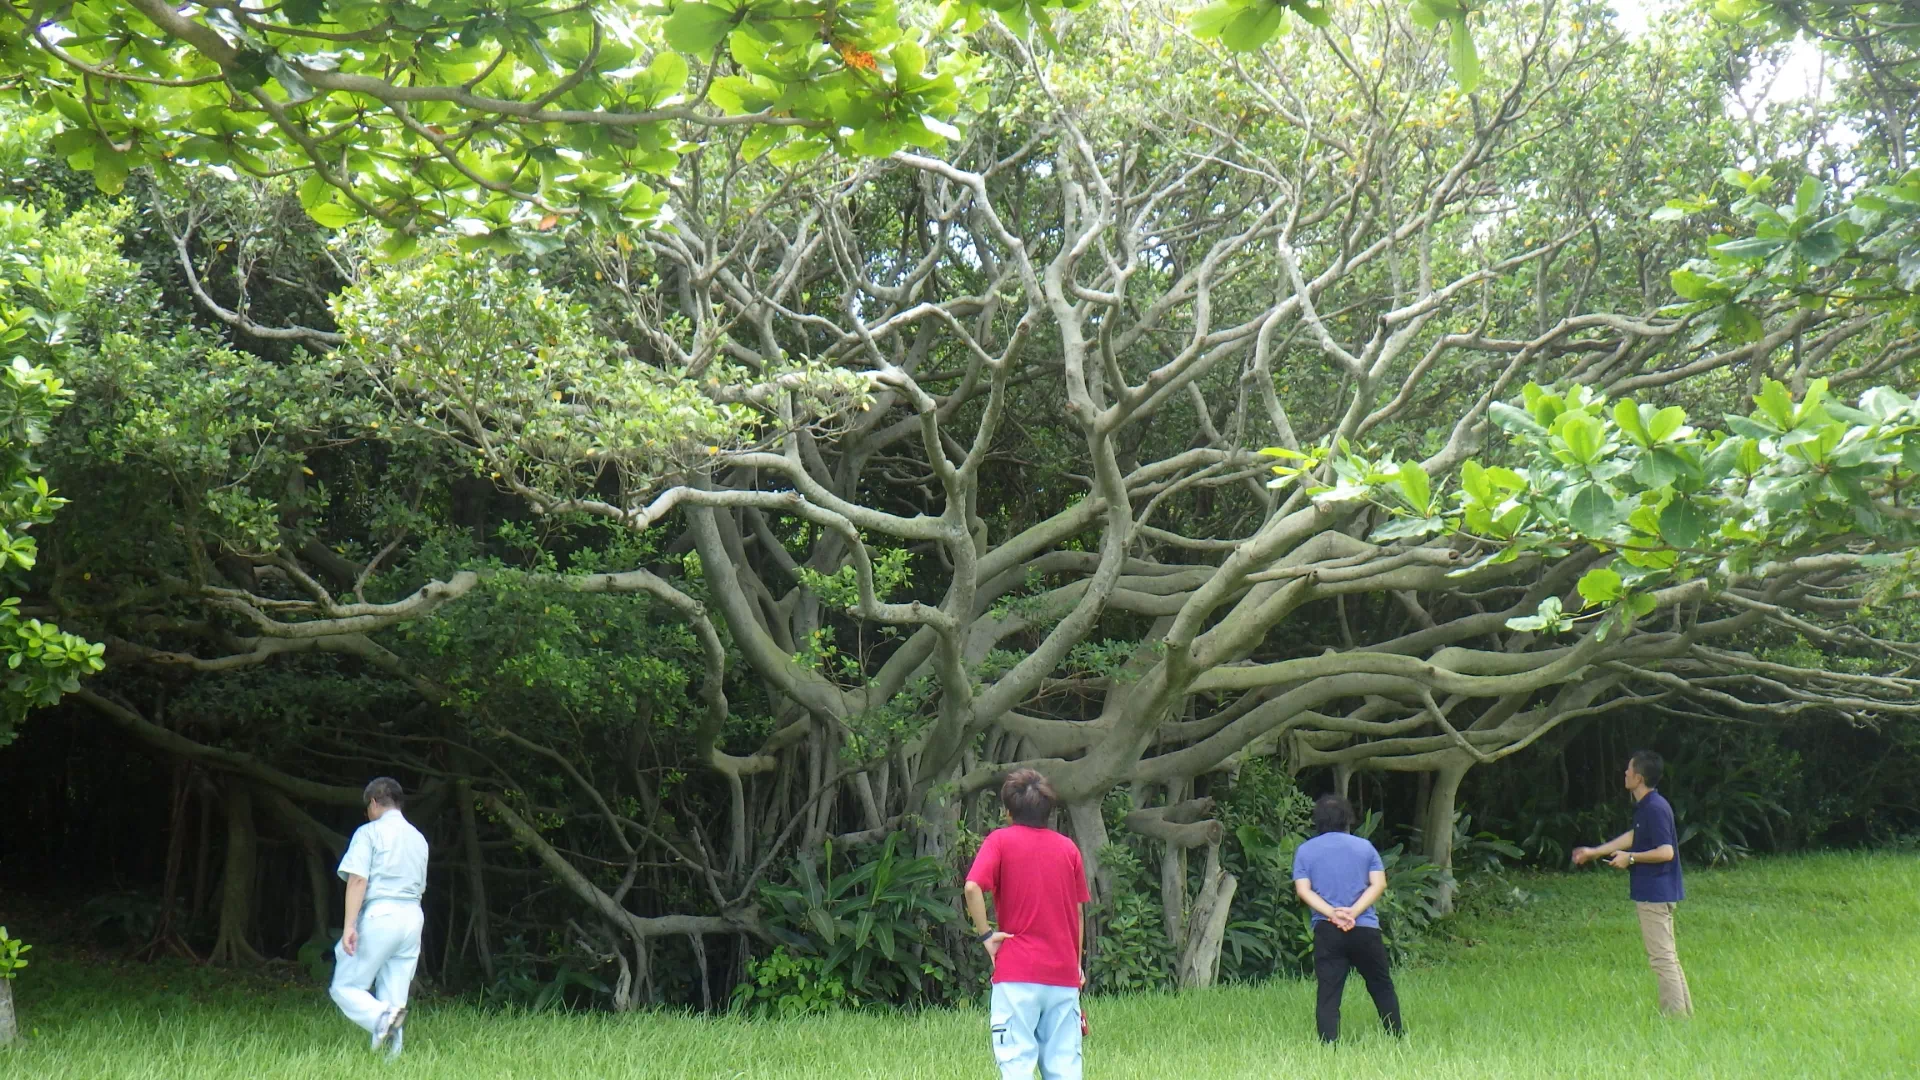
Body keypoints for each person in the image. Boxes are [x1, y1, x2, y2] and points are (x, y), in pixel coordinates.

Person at [964, 769, 1090, 1080]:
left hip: (1017, 974)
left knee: (1017, 1068)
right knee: (1064, 1070)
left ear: (1008, 811)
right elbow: (1077, 913)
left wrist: (987, 936)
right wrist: (1075, 964)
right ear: (1049, 810)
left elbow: (972, 888)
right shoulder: (1068, 849)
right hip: (1062, 974)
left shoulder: (1000, 841)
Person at [1572, 750, 1692, 1016]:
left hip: (1655, 893)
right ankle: (1684, 1015)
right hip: (1656, 890)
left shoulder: (1655, 808)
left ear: (1638, 778)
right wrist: (1595, 851)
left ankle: (1675, 1018)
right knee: (1667, 957)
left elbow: (1666, 851)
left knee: (1661, 959)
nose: (1624, 774)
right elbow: (1633, 836)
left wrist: (1632, 859)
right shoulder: (1648, 807)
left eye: (1628, 770)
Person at [1291, 794, 1403, 1044]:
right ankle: (1396, 1035)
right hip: (1364, 928)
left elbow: (1303, 890)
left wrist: (1332, 913)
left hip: (1327, 929)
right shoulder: (1365, 847)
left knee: (1329, 991)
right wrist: (1353, 912)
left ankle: (1328, 1044)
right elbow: (1379, 883)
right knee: (1381, 984)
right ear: (1347, 819)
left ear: (1317, 820)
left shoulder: (1305, 851)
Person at [330, 777, 429, 1056]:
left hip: (381, 913)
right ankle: (390, 1063)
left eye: (367, 808)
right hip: (412, 917)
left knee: (345, 986)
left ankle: (380, 1018)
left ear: (373, 802)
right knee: (395, 995)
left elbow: (358, 880)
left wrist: (350, 925)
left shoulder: (369, 833)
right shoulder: (419, 838)